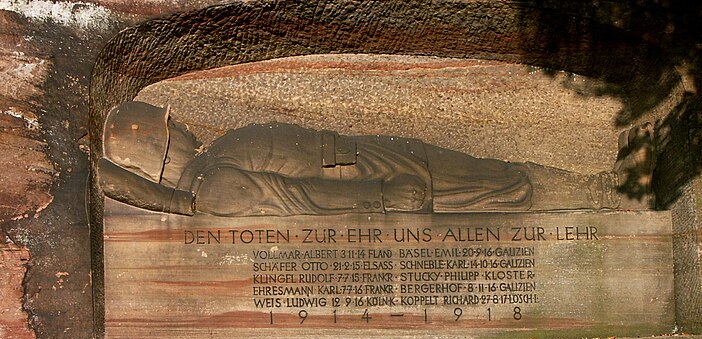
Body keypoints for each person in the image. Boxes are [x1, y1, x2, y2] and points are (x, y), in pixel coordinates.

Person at [98, 101, 654, 216]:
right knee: (497, 184)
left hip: (372, 157)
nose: (186, 125)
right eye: (174, 126)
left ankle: (611, 187)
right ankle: (612, 192)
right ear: (161, 145)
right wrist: (379, 195)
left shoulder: (212, 162)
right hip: (378, 175)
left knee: (485, 173)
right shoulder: (212, 183)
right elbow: (296, 198)